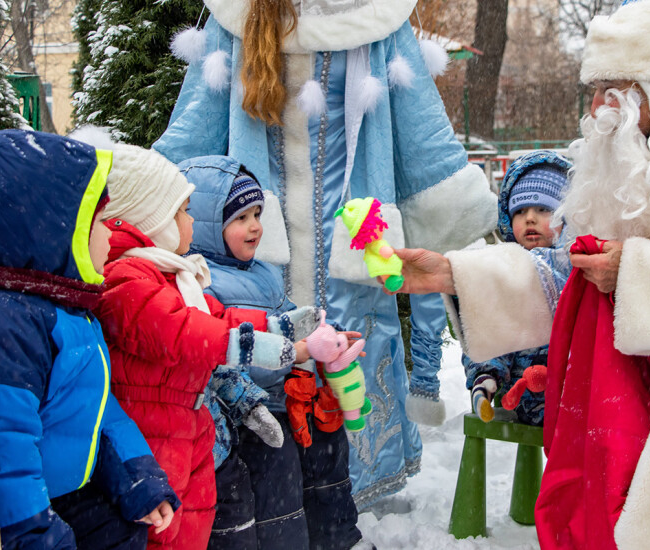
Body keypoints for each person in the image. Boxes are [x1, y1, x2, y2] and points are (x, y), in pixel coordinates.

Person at [391, 0, 650, 547]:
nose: (595, 108)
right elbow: (583, 274)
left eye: (611, 88)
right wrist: (451, 274)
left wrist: (638, 277)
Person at [153, 0, 497, 507]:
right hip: (257, 248)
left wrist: (461, 220)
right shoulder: (237, 18)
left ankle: (342, 503)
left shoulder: (377, 17)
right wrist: (144, 200)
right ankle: (273, 500)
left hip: (353, 240)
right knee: (262, 361)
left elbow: (421, 130)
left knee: (351, 359)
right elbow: (195, 125)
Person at [88, 141, 321, 550]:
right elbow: (186, 332)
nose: (191, 223)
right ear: (151, 219)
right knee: (167, 535)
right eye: (182, 212)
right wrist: (255, 346)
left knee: (197, 528)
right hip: (156, 435)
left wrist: (273, 324)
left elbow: (216, 317)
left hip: (192, 429)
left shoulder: (174, 276)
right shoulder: (128, 280)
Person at [0, 130, 179, 549]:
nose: (111, 236)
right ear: (52, 231)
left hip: (72, 496)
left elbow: (98, 411)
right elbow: (6, 445)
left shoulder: (70, 310)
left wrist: (138, 479)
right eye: (98, 223)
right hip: (36, 515)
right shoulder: (10, 324)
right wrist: (35, 533)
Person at [180, 155, 366, 549]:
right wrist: (297, 352)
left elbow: (288, 321)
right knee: (276, 471)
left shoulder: (264, 271)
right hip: (240, 413)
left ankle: (335, 538)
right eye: (241, 218)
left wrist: (324, 343)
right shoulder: (199, 281)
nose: (255, 227)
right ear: (209, 224)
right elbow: (226, 353)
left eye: (257, 214)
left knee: (327, 447)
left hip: (284, 396)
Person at [462, 150, 571, 425]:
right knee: (489, 316)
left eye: (544, 209)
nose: (530, 218)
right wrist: (488, 369)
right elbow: (489, 325)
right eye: (520, 211)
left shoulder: (578, 264)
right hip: (523, 394)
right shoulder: (508, 265)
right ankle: (485, 380)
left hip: (576, 393)